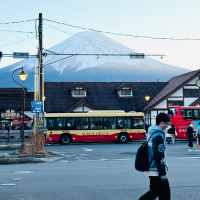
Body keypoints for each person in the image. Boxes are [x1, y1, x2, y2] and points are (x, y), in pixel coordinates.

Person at [139, 112, 171, 200]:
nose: (167, 127)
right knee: (165, 194)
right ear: (162, 123)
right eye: (167, 124)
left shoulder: (151, 131)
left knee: (154, 191)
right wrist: (162, 172)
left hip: (150, 167)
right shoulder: (158, 135)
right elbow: (158, 154)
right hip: (156, 169)